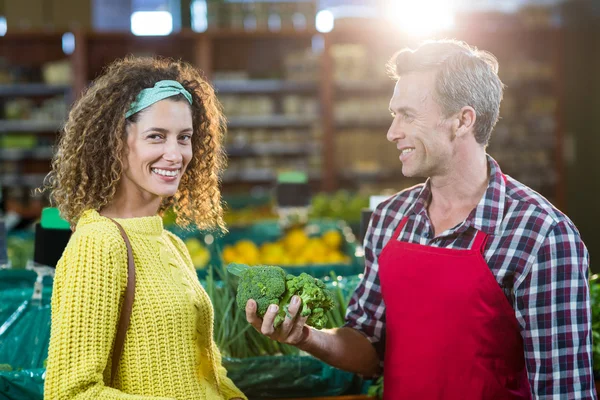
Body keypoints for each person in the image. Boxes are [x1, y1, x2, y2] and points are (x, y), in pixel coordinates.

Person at [245, 39, 596, 399]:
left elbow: (563, 391)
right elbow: (368, 348)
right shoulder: (389, 219)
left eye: (407, 115)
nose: (392, 132)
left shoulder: (542, 236)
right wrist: (306, 336)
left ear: (463, 120)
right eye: (393, 114)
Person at [44, 57, 246, 400]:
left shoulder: (171, 244)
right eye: (156, 136)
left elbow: (208, 374)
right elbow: (70, 393)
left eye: (184, 137)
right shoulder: (99, 243)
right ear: (115, 143)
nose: (175, 154)